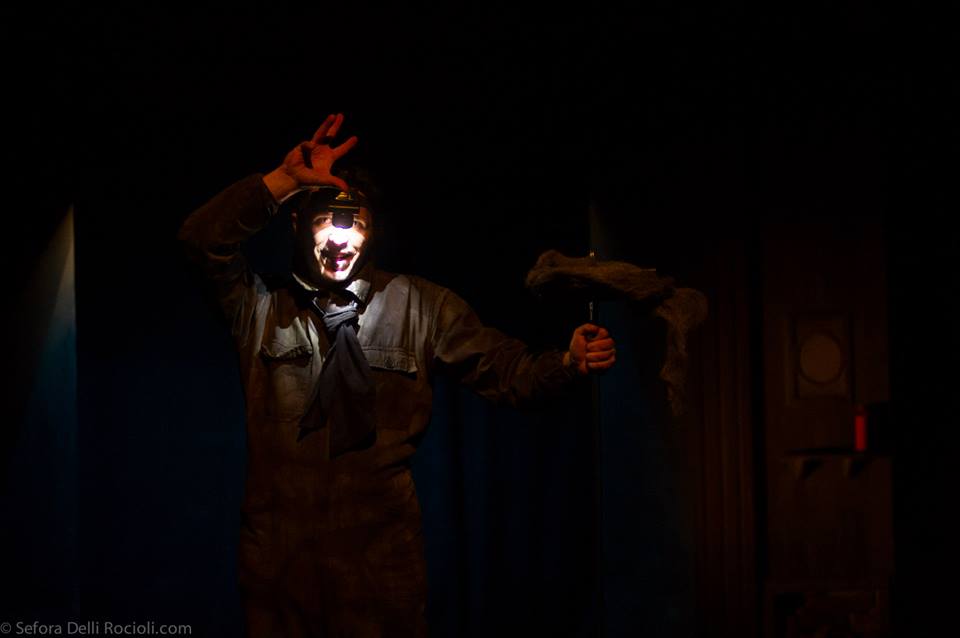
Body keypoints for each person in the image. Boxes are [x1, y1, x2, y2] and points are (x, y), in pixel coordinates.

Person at [178, 113, 617, 637]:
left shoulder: (422, 307)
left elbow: (507, 371)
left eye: (356, 225)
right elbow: (200, 241)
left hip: (381, 570)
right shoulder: (258, 307)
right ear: (295, 225)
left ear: (373, 231)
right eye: (324, 223)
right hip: (280, 569)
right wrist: (283, 182)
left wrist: (567, 362)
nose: (341, 242)